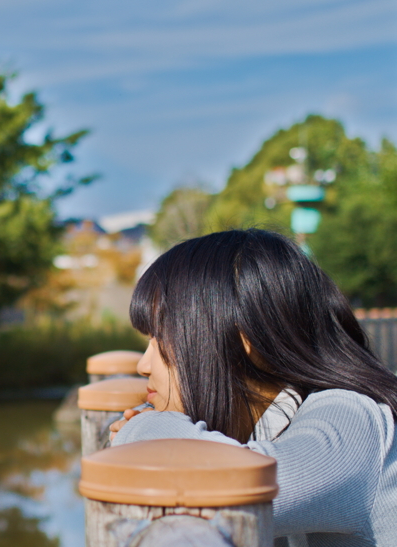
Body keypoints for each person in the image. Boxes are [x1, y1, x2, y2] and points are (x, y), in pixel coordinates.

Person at [109, 229, 397, 547]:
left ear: (245, 338)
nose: (143, 365)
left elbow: (242, 486)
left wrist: (141, 431)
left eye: (161, 336)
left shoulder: (354, 421)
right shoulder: (274, 425)